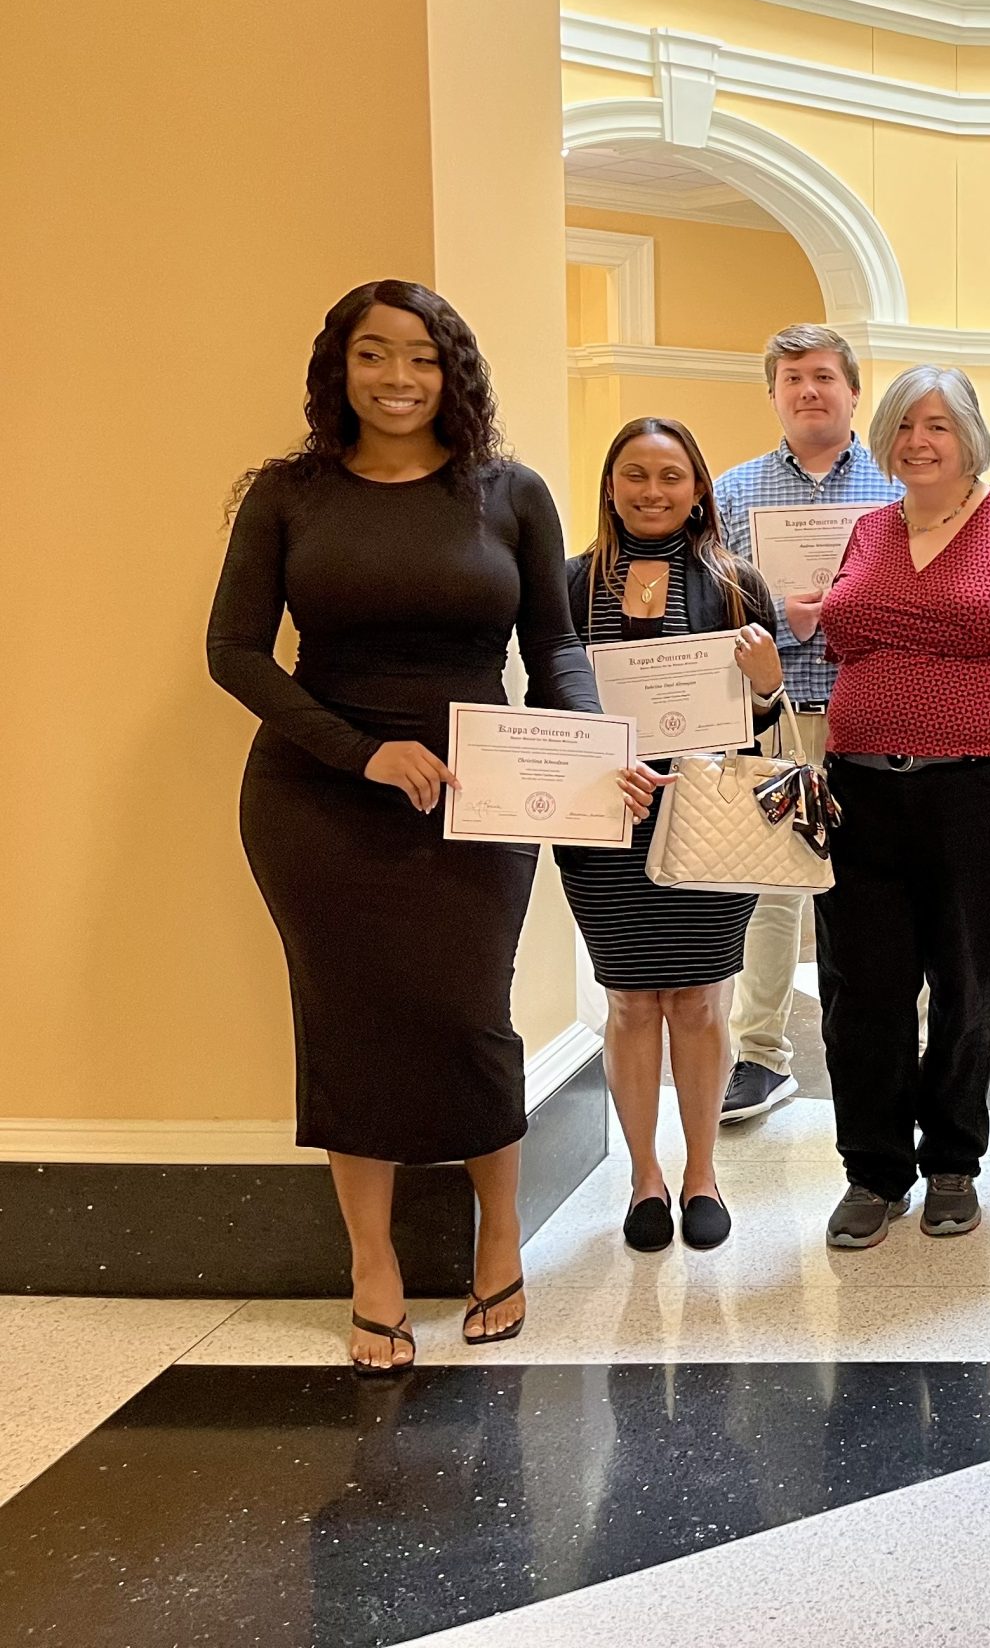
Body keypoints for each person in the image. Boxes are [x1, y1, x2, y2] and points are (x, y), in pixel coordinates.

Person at [208, 281, 655, 1370]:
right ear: (340, 368)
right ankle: (374, 1267)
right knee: (346, 1022)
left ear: (453, 371)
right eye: (375, 355)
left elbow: (552, 648)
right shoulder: (287, 495)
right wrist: (361, 752)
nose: (399, 378)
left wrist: (594, 750)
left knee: (468, 1017)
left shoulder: (508, 492)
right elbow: (233, 652)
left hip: (481, 793)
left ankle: (497, 1230)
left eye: (421, 357)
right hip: (316, 798)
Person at [811, 367, 990, 1248]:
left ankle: (953, 1162)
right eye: (903, 427)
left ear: (969, 436)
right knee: (864, 992)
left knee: (963, 984)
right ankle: (873, 1171)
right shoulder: (866, 531)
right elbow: (843, 645)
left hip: (983, 790)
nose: (919, 442)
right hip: (858, 791)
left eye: (937, 426)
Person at [561, 417, 786, 1255]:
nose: (652, 492)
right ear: (611, 485)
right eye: (635, 475)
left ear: (699, 490)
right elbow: (551, 704)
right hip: (604, 816)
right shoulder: (573, 583)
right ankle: (643, 1178)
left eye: (671, 476)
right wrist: (591, 760)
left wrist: (767, 688)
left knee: (697, 1002)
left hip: (710, 819)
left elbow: (762, 726)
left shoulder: (736, 583)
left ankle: (702, 1174)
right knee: (629, 1001)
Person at [709, 325, 901, 1126]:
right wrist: (773, 614)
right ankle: (760, 1056)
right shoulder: (733, 491)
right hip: (779, 719)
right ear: (774, 394)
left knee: (880, 885)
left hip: (876, 711)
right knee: (772, 889)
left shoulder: (899, 486)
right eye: (792, 378)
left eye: (824, 376)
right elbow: (709, 603)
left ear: (854, 391)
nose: (809, 391)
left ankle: (893, 1039)